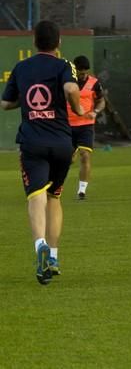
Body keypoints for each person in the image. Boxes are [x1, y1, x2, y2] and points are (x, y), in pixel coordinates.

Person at [1, 20, 84, 284]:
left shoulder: (22, 67)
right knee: (54, 197)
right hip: (61, 142)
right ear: (59, 42)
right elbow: (71, 88)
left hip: (33, 142)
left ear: (34, 42)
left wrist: (27, 101)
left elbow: (5, 103)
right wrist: (79, 109)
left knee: (35, 196)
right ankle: (54, 256)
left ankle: (40, 247)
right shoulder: (64, 65)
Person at [67, 55, 105, 200]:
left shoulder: (94, 83)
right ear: (74, 70)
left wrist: (95, 112)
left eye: (84, 72)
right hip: (68, 125)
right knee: (67, 160)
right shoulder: (68, 83)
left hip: (85, 125)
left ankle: (81, 190)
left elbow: (101, 101)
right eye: (79, 72)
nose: (82, 75)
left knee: (85, 155)